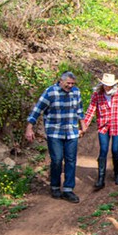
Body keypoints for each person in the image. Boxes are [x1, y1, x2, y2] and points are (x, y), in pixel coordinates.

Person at [25, 71, 85, 203]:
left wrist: (83, 125)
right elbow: (37, 110)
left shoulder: (76, 92)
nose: (70, 86)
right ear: (61, 81)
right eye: (68, 83)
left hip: (71, 131)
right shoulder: (50, 92)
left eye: (72, 83)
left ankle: (68, 189)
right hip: (54, 132)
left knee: (71, 160)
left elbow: (79, 110)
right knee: (57, 159)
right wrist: (29, 127)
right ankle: (55, 186)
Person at [81, 73, 118, 190]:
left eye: (109, 85)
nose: (107, 87)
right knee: (103, 150)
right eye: (105, 85)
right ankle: (101, 179)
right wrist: (84, 126)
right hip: (103, 126)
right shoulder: (97, 95)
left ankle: (117, 173)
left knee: (115, 150)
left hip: (117, 125)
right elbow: (90, 111)